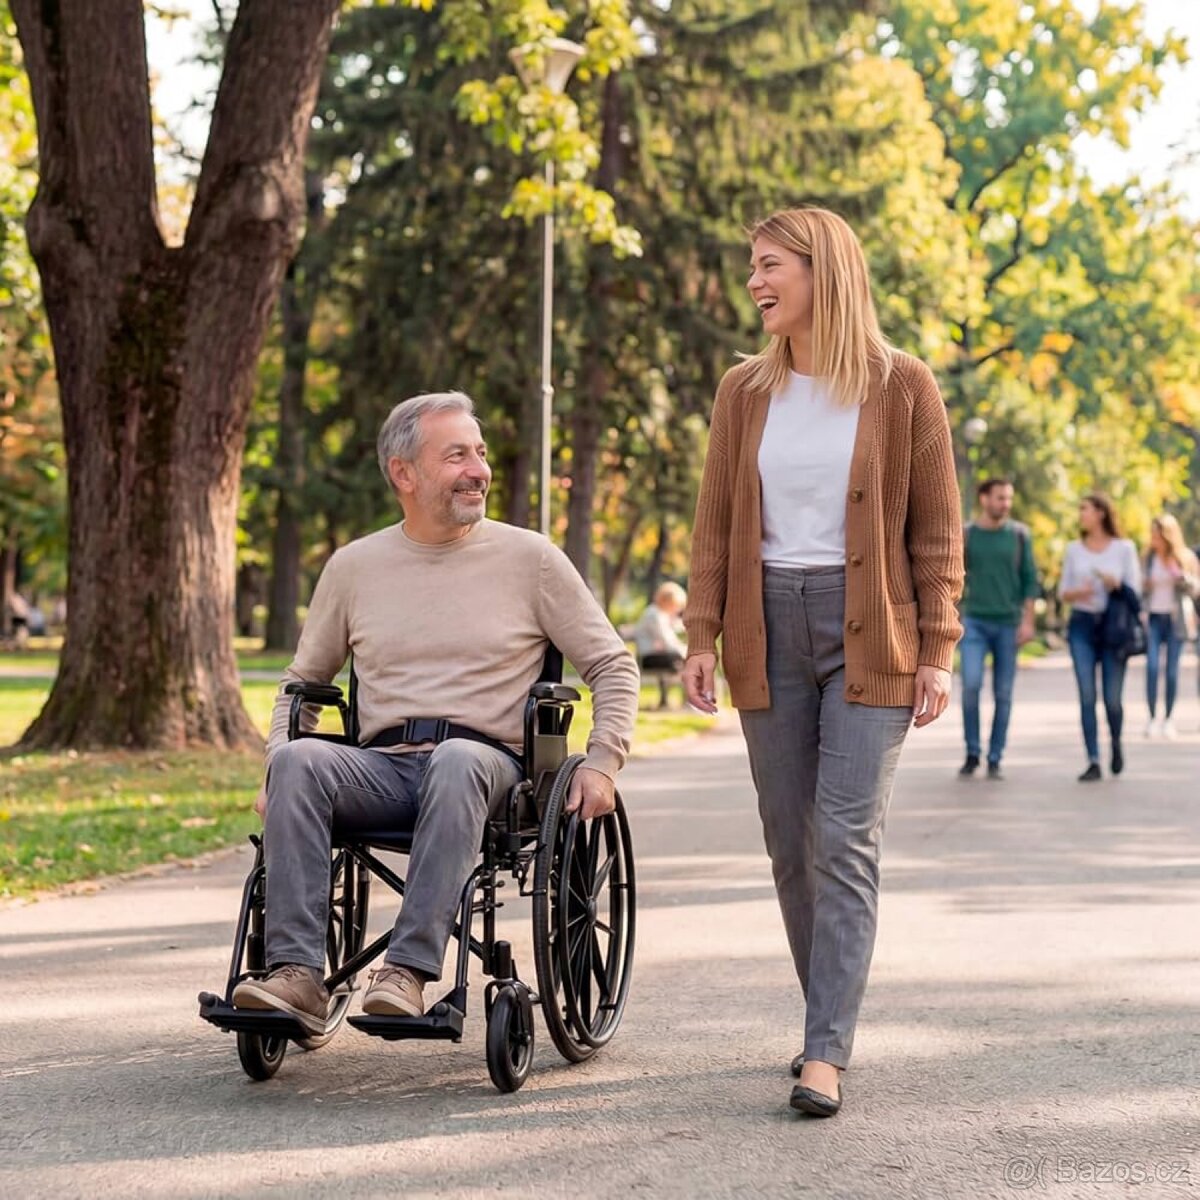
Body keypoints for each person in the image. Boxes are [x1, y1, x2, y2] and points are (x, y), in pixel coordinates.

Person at [232, 391, 640, 1033]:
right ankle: (298, 975)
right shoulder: (353, 568)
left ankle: (407, 971)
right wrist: (273, 769)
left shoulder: (530, 559)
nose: (478, 468)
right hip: (383, 770)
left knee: (456, 760)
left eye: (479, 453)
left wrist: (604, 761)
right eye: (457, 455)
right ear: (405, 474)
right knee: (300, 760)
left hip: (491, 772)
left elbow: (613, 664)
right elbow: (301, 684)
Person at [682, 207, 963, 1118]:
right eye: (751, 268)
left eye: (770, 266)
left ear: (823, 271)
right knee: (789, 844)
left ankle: (824, 1051)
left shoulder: (903, 387)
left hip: (871, 634)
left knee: (846, 840)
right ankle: (826, 1019)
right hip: (766, 629)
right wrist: (700, 631)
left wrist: (939, 647)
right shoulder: (743, 391)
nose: (755, 283)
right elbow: (717, 525)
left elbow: (935, 531)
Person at [958, 479, 1039, 781]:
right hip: (974, 621)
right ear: (984, 499)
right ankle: (972, 752)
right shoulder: (967, 535)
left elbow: (1030, 579)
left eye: (1008, 498)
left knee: (1003, 694)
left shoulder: (1018, 535)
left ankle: (995, 756)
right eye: (1000, 498)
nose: (1005, 504)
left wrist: (1028, 621)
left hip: (1008, 623)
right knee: (970, 687)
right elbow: (954, 577)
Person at [1057, 494, 1141, 781]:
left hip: (1113, 629)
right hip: (1081, 625)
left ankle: (1115, 743)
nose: (1081, 514)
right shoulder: (1073, 550)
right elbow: (1062, 592)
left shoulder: (1124, 549)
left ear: (1101, 514)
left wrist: (1115, 583)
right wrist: (1078, 593)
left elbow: (1135, 593)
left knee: (1112, 699)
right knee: (1087, 695)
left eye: (1085, 509)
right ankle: (1093, 759)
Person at [1142, 514, 1200, 739]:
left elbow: (1196, 589)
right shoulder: (1148, 558)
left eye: (1158, 535)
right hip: (1154, 617)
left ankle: (1168, 718)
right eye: (1152, 535)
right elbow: (1139, 586)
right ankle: (1151, 717)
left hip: (1176, 619)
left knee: (1172, 671)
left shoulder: (1184, 557)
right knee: (1152, 667)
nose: (1154, 539)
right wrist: (1145, 585)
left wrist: (1180, 576)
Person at [632, 581, 688, 708]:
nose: (678, 609)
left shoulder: (659, 614)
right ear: (669, 601)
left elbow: (672, 634)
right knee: (686, 661)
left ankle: (674, 700)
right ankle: (688, 701)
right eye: (677, 605)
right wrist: (686, 651)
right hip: (649, 658)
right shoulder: (654, 615)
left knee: (684, 660)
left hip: (654, 655)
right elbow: (668, 641)